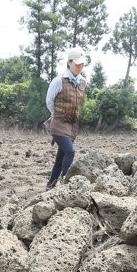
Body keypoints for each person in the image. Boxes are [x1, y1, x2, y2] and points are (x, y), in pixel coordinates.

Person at [44, 48, 87, 189]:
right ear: (69, 63)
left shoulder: (82, 82)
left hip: (72, 125)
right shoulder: (59, 80)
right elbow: (49, 100)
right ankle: (65, 184)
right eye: (77, 64)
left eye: (82, 64)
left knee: (60, 158)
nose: (80, 67)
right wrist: (56, 114)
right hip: (58, 124)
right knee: (70, 151)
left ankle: (50, 185)